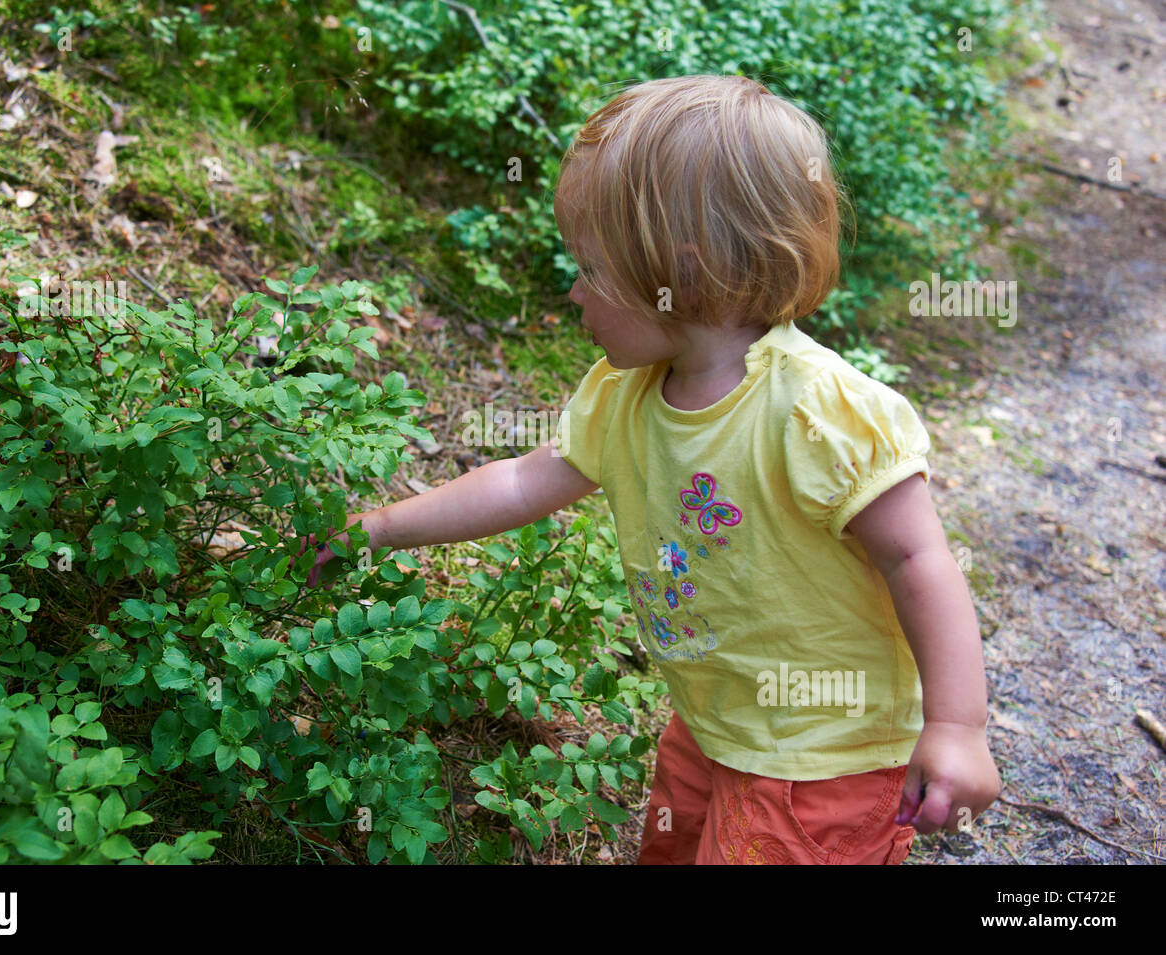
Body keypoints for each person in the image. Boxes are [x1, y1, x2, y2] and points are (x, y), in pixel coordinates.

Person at [301, 74, 1001, 865]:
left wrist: (956, 727)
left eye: (593, 271)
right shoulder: (623, 393)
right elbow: (526, 479)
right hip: (712, 723)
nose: (573, 293)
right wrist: (379, 528)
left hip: (822, 758)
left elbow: (919, 559)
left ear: (686, 276)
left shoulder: (817, 413)